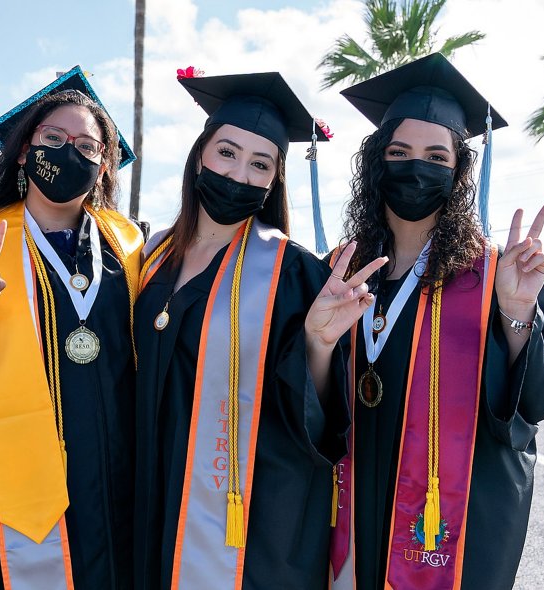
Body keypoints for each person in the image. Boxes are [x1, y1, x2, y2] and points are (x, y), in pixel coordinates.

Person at [133, 70, 387, 589]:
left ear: (274, 181)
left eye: (260, 164)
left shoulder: (292, 273)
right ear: (198, 155)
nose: (239, 174)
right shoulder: (153, 257)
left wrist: (318, 343)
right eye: (226, 153)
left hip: (243, 517)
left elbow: (312, 415)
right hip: (150, 493)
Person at [329, 53, 544, 589]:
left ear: (459, 171)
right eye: (399, 152)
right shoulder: (340, 269)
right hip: (346, 516)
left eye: (437, 156)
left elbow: (534, 403)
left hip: (441, 533)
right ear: (376, 164)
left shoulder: (494, 273)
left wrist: (515, 311)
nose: (417, 168)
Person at [0, 67, 143, 589]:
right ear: (24, 151)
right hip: (8, 483)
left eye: (87, 146)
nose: (69, 152)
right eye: (53, 138)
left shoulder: (131, 246)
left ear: (103, 167)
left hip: (116, 471)